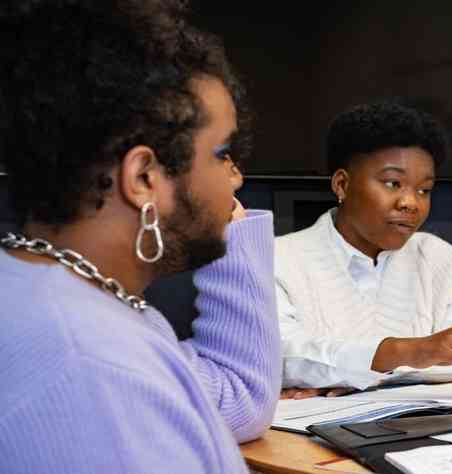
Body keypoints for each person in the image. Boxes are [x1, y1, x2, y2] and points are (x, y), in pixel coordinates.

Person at [0, 1, 280, 472]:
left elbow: (236, 395)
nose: (232, 178)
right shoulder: (92, 367)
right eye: (221, 153)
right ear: (144, 177)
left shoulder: (65, 300)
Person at [276, 101, 452, 397]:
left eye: (423, 190)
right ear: (342, 184)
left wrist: (350, 379)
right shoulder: (280, 259)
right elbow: (279, 354)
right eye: (393, 183)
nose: (410, 203)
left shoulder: (440, 259)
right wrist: (411, 351)